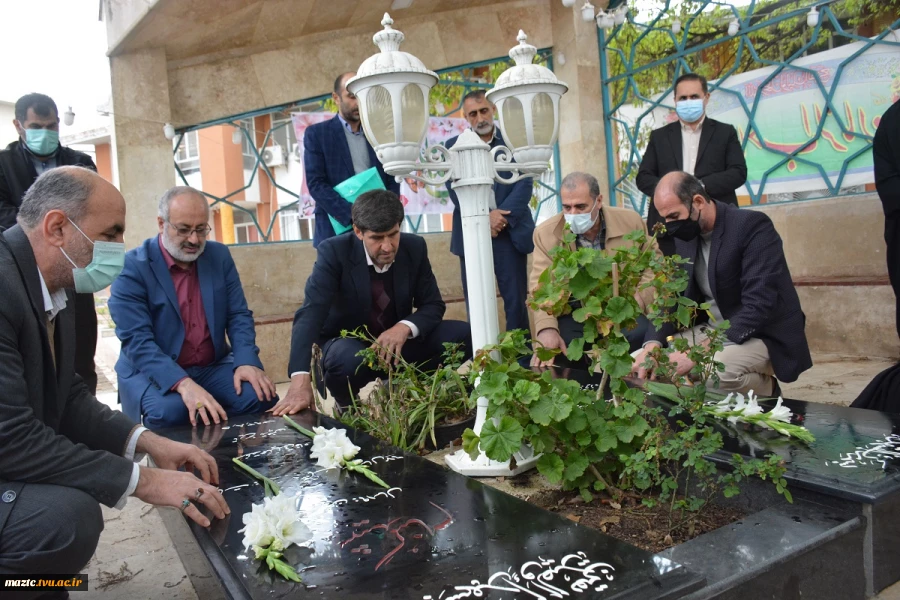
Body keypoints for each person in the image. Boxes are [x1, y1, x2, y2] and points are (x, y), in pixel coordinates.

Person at [0, 167, 229, 594]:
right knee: (66, 518)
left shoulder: (54, 288)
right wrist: (145, 481)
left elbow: (66, 395)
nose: (118, 249)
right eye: (110, 233)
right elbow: (11, 438)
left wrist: (149, 442)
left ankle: (38, 585)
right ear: (56, 228)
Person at [279, 189, 472, 412]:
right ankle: (346, 404)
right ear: (358, 231)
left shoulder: (414, 247)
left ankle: (406, 388)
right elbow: (310, 314)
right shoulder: (334, 252)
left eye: (393, 234)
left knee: (463, 335)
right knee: (345, 358)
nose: (388, 246)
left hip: (398, 347)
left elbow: (433, 305)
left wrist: (403, 328)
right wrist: (299, 380)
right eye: (377, 238)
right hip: (349, 348)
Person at [108, 187, 277, 430]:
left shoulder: (218, 256)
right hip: (151, 371)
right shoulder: (132, 268)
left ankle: (230, 459)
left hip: (211, 366)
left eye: (201, 229)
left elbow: (238, 314)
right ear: (161, 223)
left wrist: (245, 361)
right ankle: (175, 464)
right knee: (171, 411)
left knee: (260, 394)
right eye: (184, 229)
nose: (194, 240)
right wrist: (183, 383)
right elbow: (137, 341)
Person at [632, 171, 812, 396]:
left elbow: (759, 306)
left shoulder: (752, 227)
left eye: (674, 215)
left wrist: (695, 353)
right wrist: (652, 345)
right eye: (665, 218)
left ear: (698, 201)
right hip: (714, 330)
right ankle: (705, 402)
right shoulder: (687, 235)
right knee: (642, 366)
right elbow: (672, 297)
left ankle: (766, 391)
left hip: (760, 332)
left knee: (715, 375)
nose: (669, 225)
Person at [0, 93, 99, 393]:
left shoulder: (80, 164)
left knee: (80, 357)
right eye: (37, 126)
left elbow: (92, 213)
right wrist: (48, 229)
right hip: (25, 277)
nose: (46, 133)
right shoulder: (3, 165)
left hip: (72, 273)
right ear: (19, 125)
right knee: (35, 356)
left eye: (52, 126)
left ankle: (85, 423)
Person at [529, 172, 659, 368]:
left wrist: (639, 299)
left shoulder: (630, 220)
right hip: (574, 311)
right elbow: (540, 287)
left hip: (622, 307)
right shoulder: (545, 234)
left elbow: (653, 264)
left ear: (598, 201)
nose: (573, 214)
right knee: (563, 351)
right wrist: (546, 329)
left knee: (640, 334)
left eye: (581, 206)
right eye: (567, 207)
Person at [444, 90, 534, 333]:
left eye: (484, 110)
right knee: (477, 300)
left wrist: (500, 218)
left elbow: (525, 182)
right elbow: (454, 189)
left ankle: (522, 359)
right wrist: (486, 218)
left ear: (493, 109)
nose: (480, 117)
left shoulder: (514, 142)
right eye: (473, 114)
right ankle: (483, 358)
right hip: (472, 233)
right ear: (466, 117)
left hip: (509, 232)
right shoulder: (453, 147)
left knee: (516, 300)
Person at [636, 73, 748, 256]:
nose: (688, 101)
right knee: (673, 281)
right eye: (683, 98)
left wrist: (699, 188)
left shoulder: (724, 133)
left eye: (694, 97)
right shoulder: (660, 137)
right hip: (670, 228)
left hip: (715, 223)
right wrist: (672, 194)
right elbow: (643, 177)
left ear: (706, 97)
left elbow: (738, 172)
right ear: (675, 100)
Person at [303, 72, 400, 248]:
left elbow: (392, 177)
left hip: (379, 231)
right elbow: (316, 184)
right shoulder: (317, 135)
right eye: (352, 96)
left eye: (362, 96)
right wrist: (356, 216)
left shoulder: (379, 134)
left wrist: (388, 215)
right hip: (336, 231)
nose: (358, 103)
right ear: (336, 98)